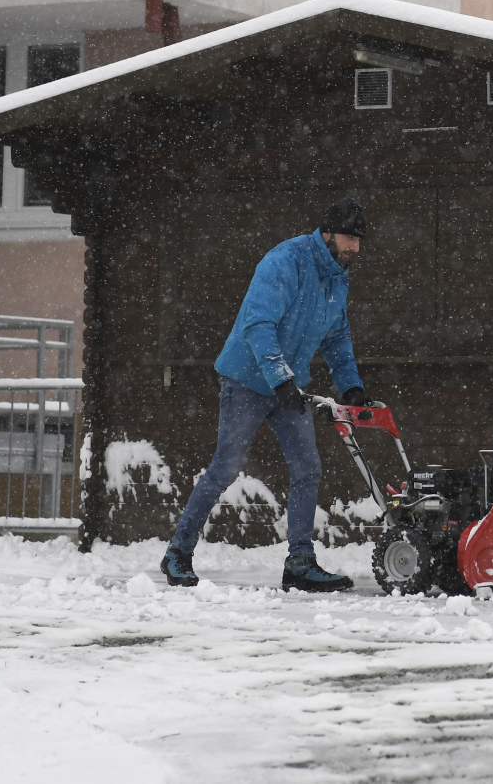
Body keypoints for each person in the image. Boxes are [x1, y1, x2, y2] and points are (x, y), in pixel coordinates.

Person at [160, 198, 375, 592]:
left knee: (308, 468)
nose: (355, 248)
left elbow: (337, 336)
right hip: (247, 381)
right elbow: (258, 325)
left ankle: (299, 563)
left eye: (359, 241)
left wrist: (352, 387)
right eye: (349, 238)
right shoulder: (285, 261)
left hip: (289, 386)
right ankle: (178, 552)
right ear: (327, 233)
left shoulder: (337, 277)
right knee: (225, 468)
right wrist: (280, 379)